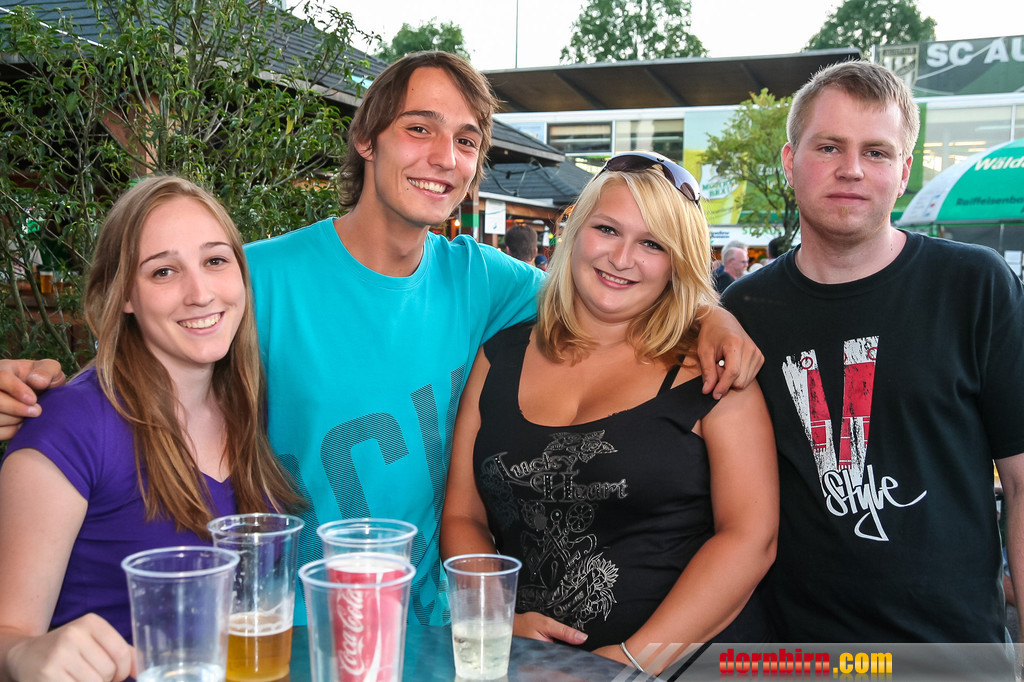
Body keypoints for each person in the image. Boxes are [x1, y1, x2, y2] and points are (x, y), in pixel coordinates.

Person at [0, 51, 763, 628]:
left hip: (431, 633)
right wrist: (30, 397)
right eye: (418, 129)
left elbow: (610, 287)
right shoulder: (253, 278)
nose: (443, 157)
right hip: (289, 630)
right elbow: (132, 372)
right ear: (367, 139)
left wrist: (710, 313)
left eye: (466, 140)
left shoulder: (485, 282)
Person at [721, 60, 1024, 645]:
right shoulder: (744, 310)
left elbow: (1020, 483)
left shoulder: (975, 286)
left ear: (904, 170)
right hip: (795, 655)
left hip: (953, 656)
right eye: (829, 146)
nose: (852, 169)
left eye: (877, 152)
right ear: (790, 161)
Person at [441, 152, 778, 673]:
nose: (622, 258)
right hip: (525, 665)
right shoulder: (498, 357)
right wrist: (493, 614)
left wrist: (626, 663)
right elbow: (464, 516)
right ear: (574, 230)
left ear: (677, 261)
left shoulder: (711, 370)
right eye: (607, 229)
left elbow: (750, 540)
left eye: (652, 244)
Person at [0, 176, 299, 682]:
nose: (200, 293)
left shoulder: (250, 404)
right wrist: (21, 655)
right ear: (123, 296)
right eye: (163, 271)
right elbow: (9, 632)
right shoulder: (71, 426)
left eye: (215, 260)